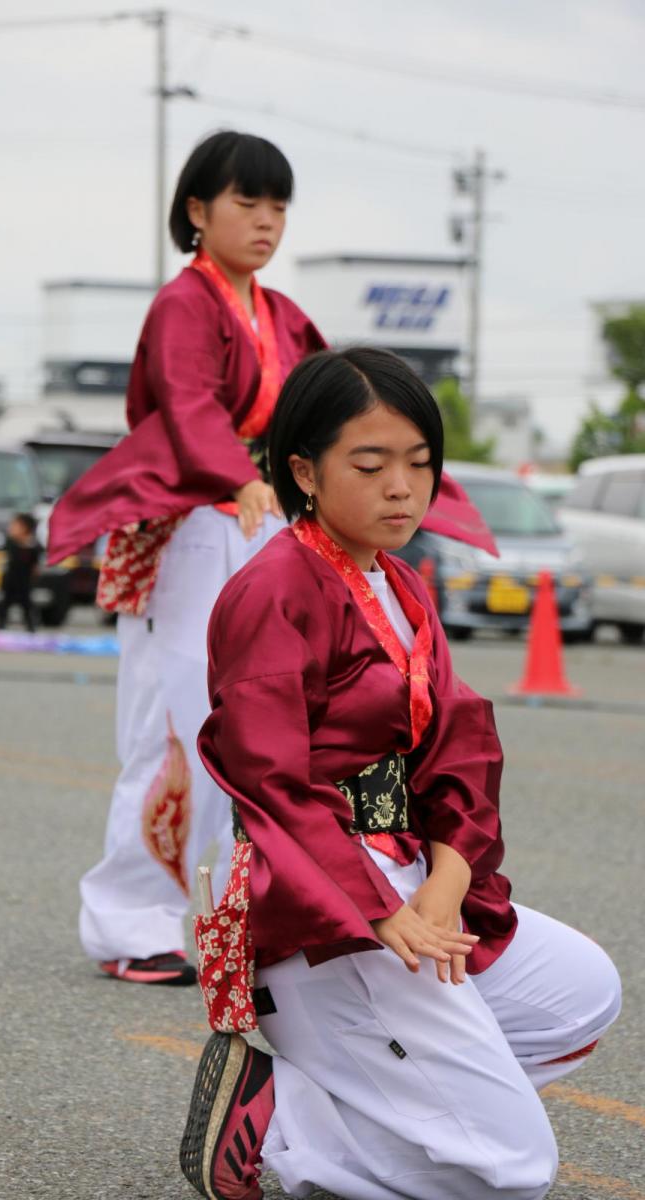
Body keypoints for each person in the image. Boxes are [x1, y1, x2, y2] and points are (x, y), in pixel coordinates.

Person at [180, 347, 622, 1200]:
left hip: (411, 874)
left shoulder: (404, 585)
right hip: (320, 907)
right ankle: (293, 1132)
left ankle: (329, 1108)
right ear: (303, 470)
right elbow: (269, 781)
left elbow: (461, 746)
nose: (401, 489)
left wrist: (446, 883)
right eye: (370, 464)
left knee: (578, 995)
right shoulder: (272, 590)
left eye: (420, 465)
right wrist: (379, 909)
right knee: (513, 1174)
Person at [47, 131, 326, 985]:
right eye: (247, 202)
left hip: (260, 519)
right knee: (174, 728)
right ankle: (132, 924)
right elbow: (187, 404)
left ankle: (224, 917)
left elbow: (325, 402)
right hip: (193, 522)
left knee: (260, 728)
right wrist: (242, 477)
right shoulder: (185, 304)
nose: (266, 220)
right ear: (197, 211)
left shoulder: (279, 316)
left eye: (278, 205)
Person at [0, 512, 40, 632]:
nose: (11, 528)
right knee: (3, 606)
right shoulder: (10, 543)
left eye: (15, 526)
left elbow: (35, 566)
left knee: (27, 607)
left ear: (25, 528)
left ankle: (31, 629)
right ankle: (0, 628)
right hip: (10, 581)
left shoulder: (34, 546)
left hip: (25, 582)